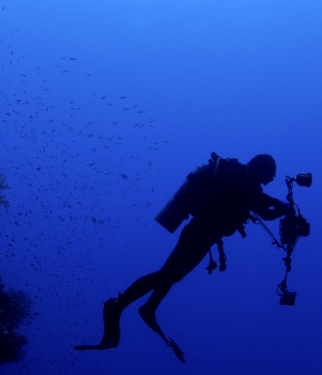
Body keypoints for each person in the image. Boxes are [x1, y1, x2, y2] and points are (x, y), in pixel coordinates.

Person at [75, 153, 287, 361]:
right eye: (271, 174)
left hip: (204, 235)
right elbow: (263, 209)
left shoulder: (245, 181)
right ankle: (120, 305)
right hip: (199, 233)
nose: (271, 179)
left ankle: (147, 307)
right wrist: (284, 209)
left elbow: (258, 202)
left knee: (171, 276)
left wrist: (280, 206)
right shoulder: (241, 177)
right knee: (166, 275)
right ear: (262, 169)